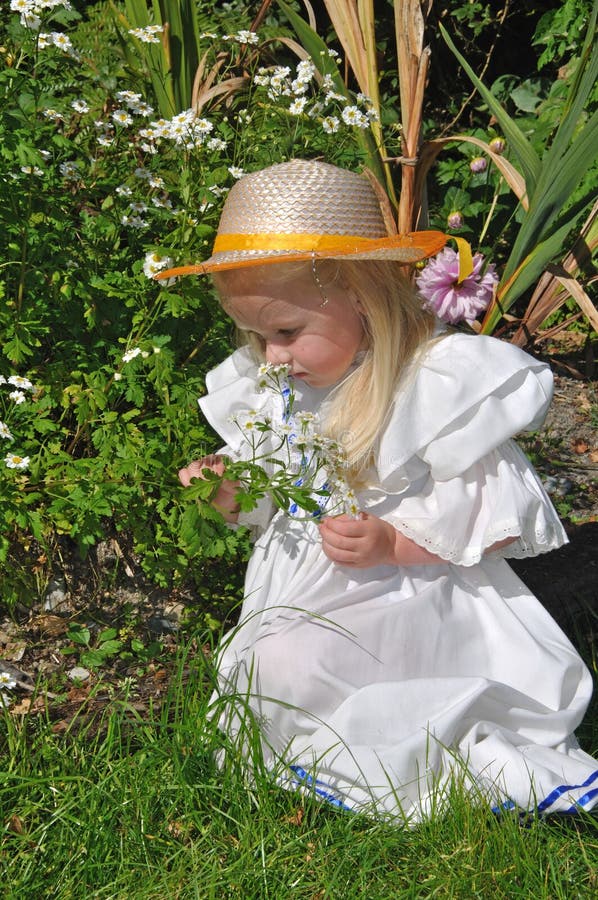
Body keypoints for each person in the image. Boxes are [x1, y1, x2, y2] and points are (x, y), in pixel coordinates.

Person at [168, 158, 597, 822]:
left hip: (411, 596)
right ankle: (323, 755)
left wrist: (394, 542)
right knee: (269, 670)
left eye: (285, 332)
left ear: (362, 299)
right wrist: (225, 490)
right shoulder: (278, 389)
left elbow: (491, 516)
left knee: (292, 661)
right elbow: (264, 491)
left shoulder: (428, 388)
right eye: (256, 336)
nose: (271, 355)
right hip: (306, 591)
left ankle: (398, 747)